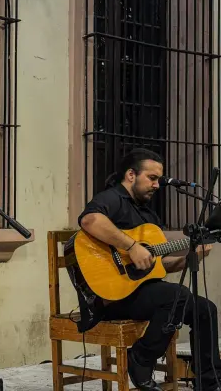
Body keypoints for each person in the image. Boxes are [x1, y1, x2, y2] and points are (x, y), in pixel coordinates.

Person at [74, 148, 221, 391]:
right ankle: (141, 358)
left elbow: (157, 266)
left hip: (144, 292)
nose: (157, 185)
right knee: (177, 296)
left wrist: (189, 258)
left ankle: (210, 382)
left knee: (205, 309)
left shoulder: (147, 214)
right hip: (111, 297)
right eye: (152, 178)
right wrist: (131, 246)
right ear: (131, 175)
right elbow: (89, 220)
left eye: (159, 180)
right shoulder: (112, 198)